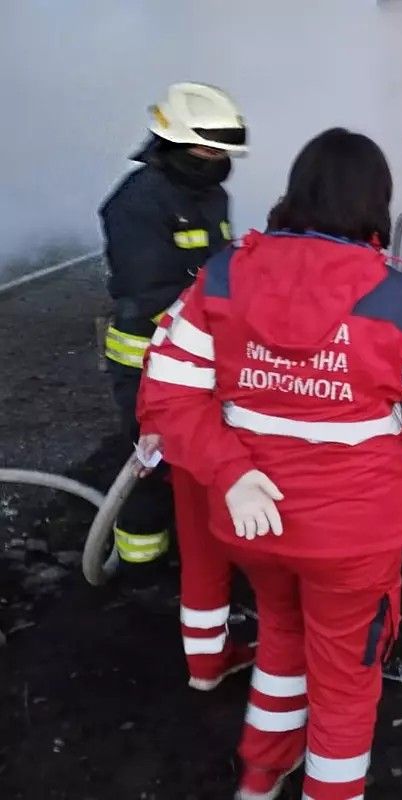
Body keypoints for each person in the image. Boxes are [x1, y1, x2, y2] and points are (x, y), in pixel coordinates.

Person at [137, 128, 402, 800]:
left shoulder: (227, 272)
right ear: (377, 201)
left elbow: (165, 391)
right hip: (350, 539)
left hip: (254, 523)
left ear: (299, 191)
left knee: (283, 634)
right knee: (346, 684)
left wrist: (228, 473)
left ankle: (261, 774)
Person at [99, 81, 255, 688]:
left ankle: (194, 561)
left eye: (224, 155)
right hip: (146, 359)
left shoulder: (207, 193)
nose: (218, 164)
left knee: (194, 457)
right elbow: (149, 290)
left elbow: (216, 267)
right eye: (208, 152)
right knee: (151, 460)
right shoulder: (137, 202)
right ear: (175, 143)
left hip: (197, 353)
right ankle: (141, 570)